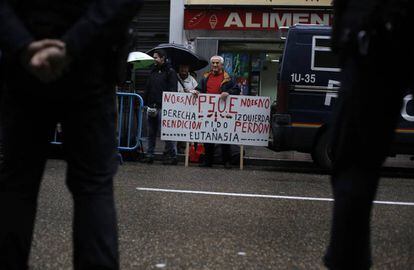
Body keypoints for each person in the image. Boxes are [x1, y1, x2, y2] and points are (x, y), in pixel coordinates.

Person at [0, 1, 143, 269]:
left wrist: (22, 45)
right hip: (90, 62)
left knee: (16, 184)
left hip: (27, 65)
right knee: (93, 185)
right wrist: (73, 45)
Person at [324, 0, 413, 269]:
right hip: (372, 45)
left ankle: (346, 259)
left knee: (352, 163)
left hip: (372, 46)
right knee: (354, 163)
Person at [196, 55, 240, 169]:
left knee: (224, 137)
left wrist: (228, 92)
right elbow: (199, 89)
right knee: (208, 137)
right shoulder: (205, 77)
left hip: (223, 113)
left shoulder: (229, 78)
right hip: (208, 112)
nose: (215, 65)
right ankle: (208, 161)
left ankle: (226, 161)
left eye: (217, 63)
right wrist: (196, 91)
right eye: (213, 63)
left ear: (222, 65)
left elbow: (237, 89)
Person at [142, 49, 178, 165]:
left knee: (167, 133)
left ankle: (171, 156)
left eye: (156, 57)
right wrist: (145, 103)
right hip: (151, 106)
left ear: (162, 58)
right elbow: (148, 87)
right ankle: (150, 154)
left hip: (163, 107)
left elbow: (173, 90)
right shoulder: (152, 71)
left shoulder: (170, 72)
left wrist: (168, 106)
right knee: (150, 133)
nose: (154, 59)